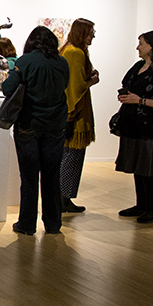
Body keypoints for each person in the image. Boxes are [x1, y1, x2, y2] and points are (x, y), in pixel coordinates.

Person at [2, 26, 70, 235]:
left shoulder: (25, 61)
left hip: (29, 125)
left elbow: (7, 89)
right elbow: (65, 86)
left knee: (30, 178)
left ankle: (27, 224)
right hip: (56, 126)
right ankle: (53, 224)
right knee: (52, 176)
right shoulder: (62, 63)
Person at [114, 31, 153, 224]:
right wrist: (126, 97)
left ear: (152, 46)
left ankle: (151, 208)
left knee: (149, 167)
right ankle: (141, 205)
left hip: (152, 126)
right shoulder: (139, 66)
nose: (138, 47)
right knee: (138, 166)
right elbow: (127, 83)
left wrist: (138, 100)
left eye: (141, 43)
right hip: (134, 124)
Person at [59, 19, 98, 214]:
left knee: (70, 157)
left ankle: (64, 199)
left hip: (73, 113)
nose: (93, 36)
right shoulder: (74, 53)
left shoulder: (70, 50)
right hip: (75, 114)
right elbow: (75, 87)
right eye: (90, 32)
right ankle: (63, 199)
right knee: (71, 157)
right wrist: (91, 81)